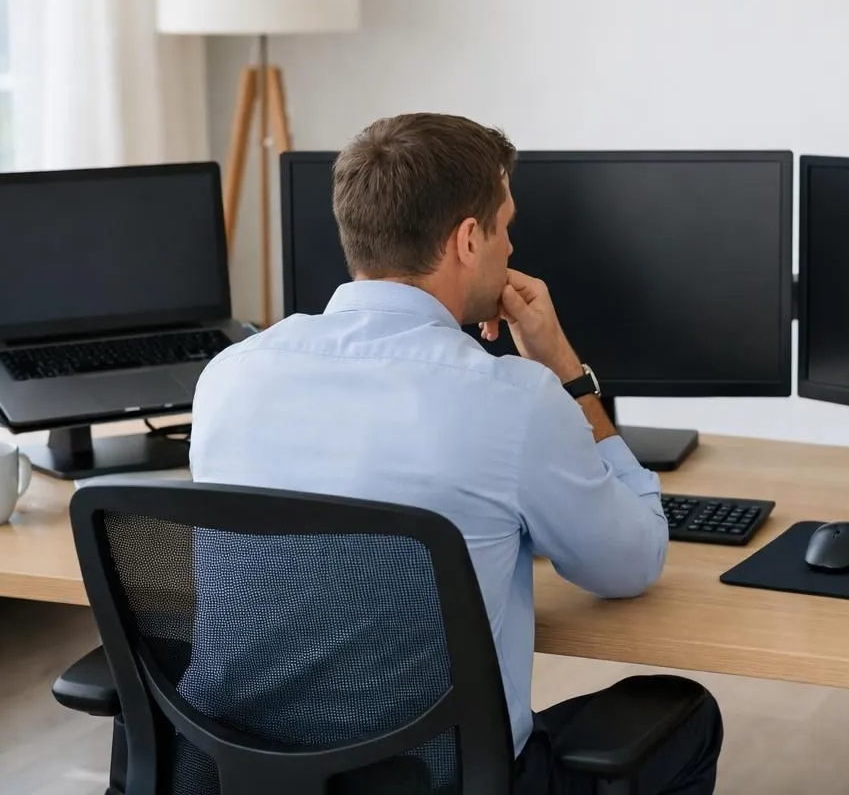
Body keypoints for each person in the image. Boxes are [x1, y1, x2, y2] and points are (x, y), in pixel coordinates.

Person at [189, 112, 722, 793]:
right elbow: (629, 562)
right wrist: (566, 372)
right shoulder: (514, 400)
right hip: (446, 781)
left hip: (245, 775)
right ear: (469, 239)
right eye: (505, 225)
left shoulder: (230, 376)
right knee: (688, 718)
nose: (510, 246)